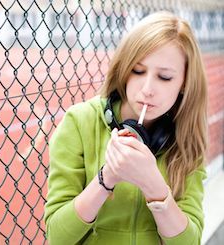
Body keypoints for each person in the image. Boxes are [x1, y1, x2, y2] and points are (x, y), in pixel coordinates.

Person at [44, 11, 208, 245]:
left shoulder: (187, 139)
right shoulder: (79, 122)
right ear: (124, 70)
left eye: (164, 77)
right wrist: (107, 177)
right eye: (138, 71)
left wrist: (153, 184)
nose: (148, 88)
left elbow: (189, 242)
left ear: (184, 83)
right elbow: (58, 237)